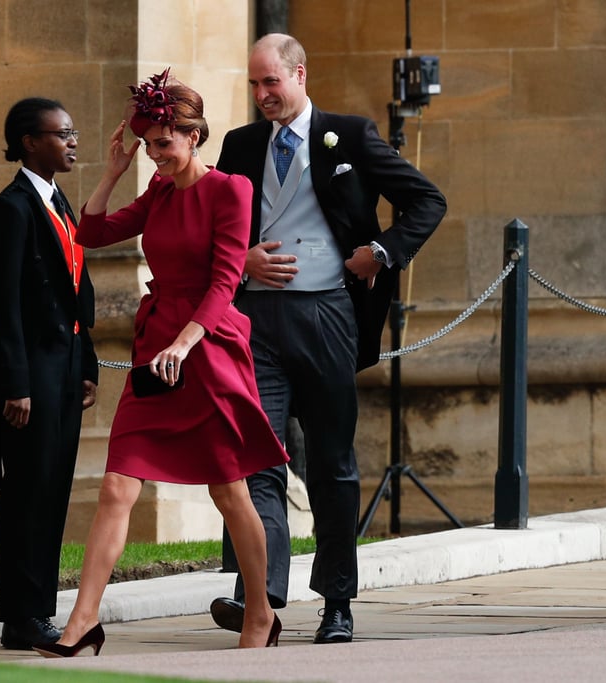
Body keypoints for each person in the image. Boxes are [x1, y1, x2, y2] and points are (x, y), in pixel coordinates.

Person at [33, 69, 288, 658]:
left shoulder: (231, 190)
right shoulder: (156, 194)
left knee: (230, 491)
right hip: (157, 350)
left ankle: (260, 612)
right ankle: (83, 622)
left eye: (163, 143)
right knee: (118, 485)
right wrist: (113, 173)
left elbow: (227, 278)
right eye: (147, 144)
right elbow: (89, 233)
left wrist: (185, 342)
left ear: (193, 136)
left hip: (209, 348)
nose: (154, 154)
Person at [211, 33, 447, 644]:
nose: (263, 95)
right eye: (255, 84)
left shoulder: (352, 135)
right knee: (255, 457)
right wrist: (241, 265)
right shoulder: (238, 146)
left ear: (300, 75)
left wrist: (381, 252)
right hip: (256, 324)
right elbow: (212, 228)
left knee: (332, 466)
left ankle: (337, 601)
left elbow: (426, 200)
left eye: (272, 82)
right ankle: (259, 598)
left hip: (329, 316)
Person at [0, 97, 99, 650]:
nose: (72, 142)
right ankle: (20, 616)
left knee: (52, 491)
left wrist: (88, 364)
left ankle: (39, 609)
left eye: (72, 134)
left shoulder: (59, 202)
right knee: (27, 491)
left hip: (66, 367)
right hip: (31, 373)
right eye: (62, 134)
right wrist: (16, 384)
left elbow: (76, 291)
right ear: (30, 142)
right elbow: (2, 305)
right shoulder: (11, 207)